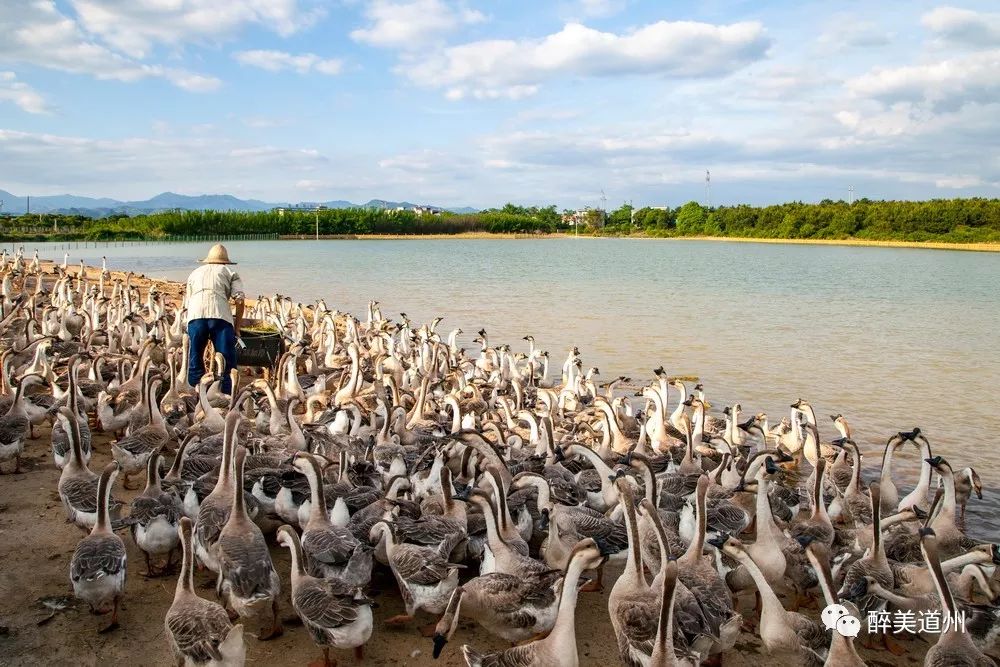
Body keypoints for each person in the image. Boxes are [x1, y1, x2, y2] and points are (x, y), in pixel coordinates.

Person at [184, 244, 245, 394]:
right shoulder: (230, 272)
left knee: (195, 357)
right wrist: (236, 328)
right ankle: (225, 395)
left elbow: (189, 300)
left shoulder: (195, 273)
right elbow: (240, 300)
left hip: (196, 317)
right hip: (220, 317)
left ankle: (197, 393)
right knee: (226, 359)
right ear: (225, 261)